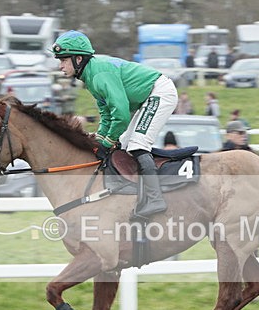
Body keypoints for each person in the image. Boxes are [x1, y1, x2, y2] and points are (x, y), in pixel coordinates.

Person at [52, 30, 177, 218]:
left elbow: (121, 114)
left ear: (78, 59)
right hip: (146, 98)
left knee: (137, 144)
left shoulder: (98, 74)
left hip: (159, 92)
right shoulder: (90, 75)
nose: (60, 66)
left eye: (63, 60)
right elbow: (107, 113)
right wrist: (101, 140)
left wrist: (108, 141)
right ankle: (134, 194)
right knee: (125, 145)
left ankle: (155, 198)